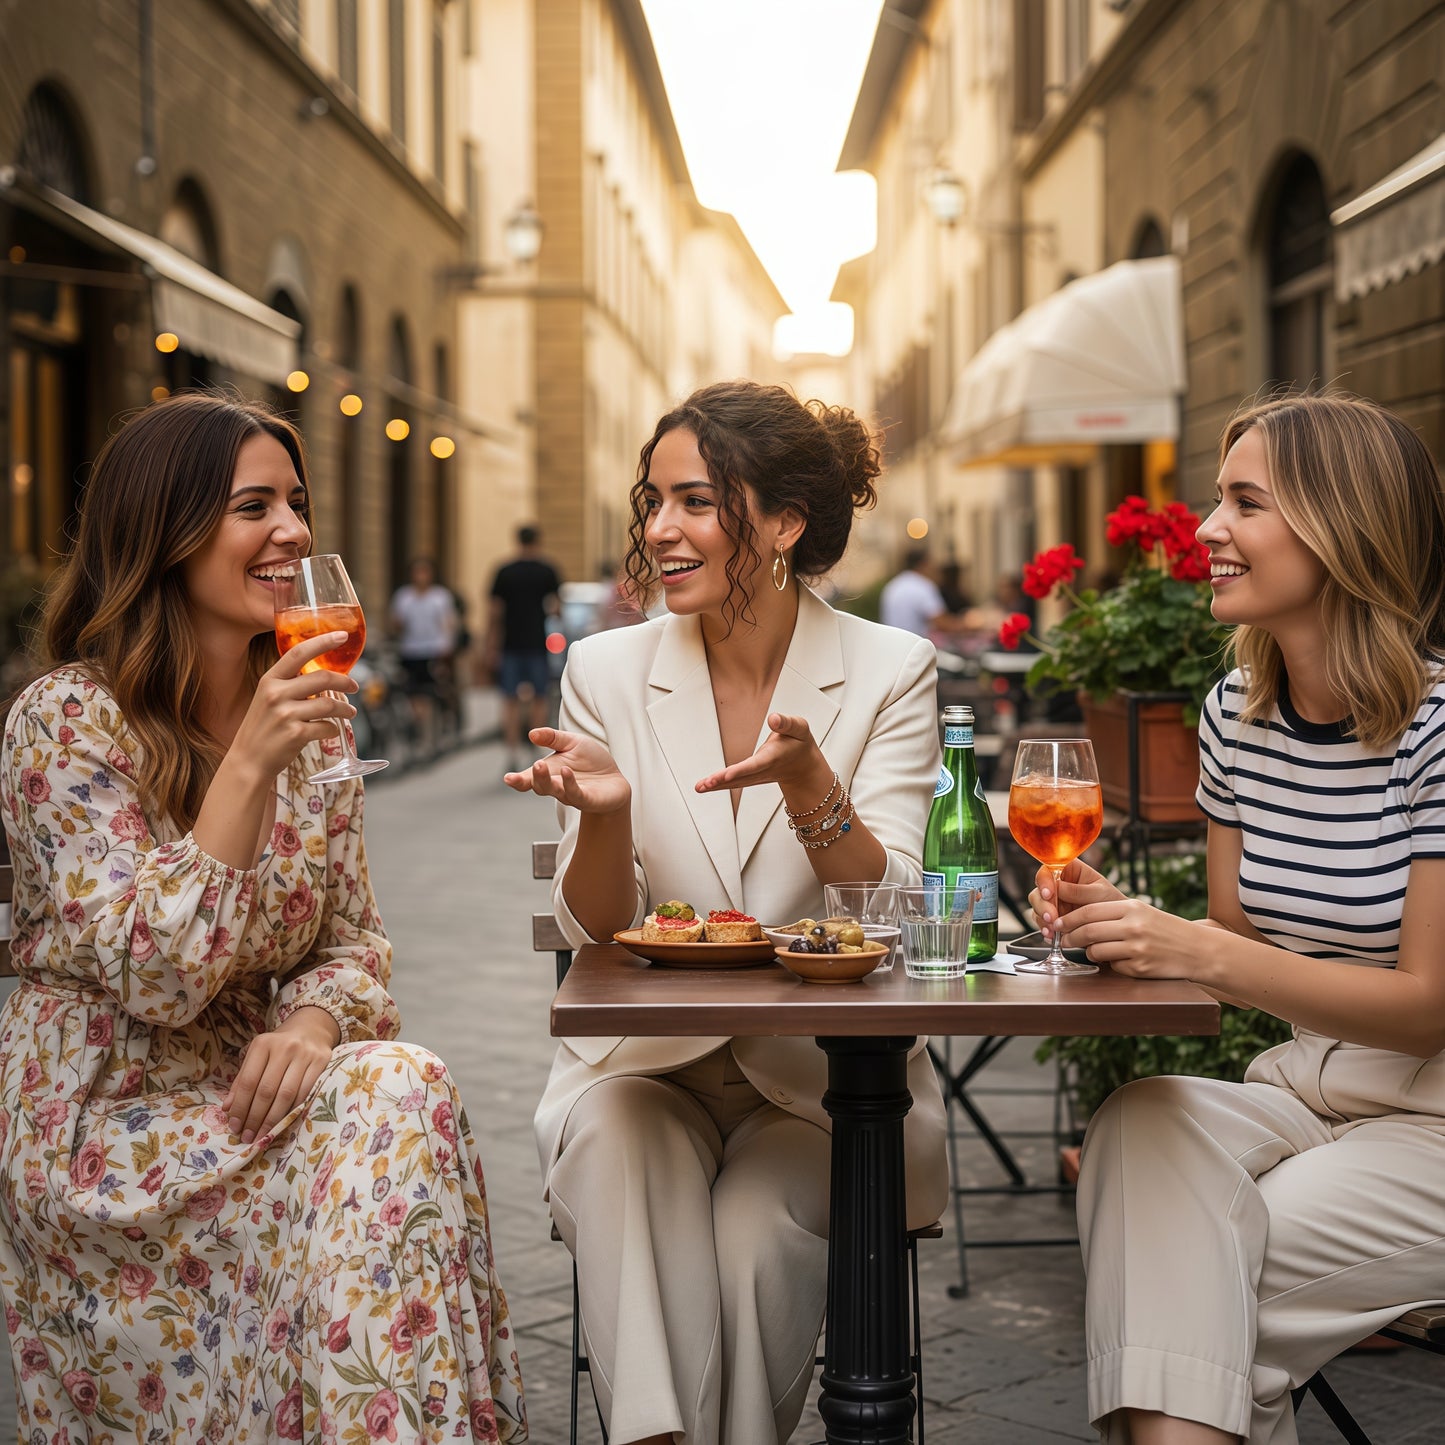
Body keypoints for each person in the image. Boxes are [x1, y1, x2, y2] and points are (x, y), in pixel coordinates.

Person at [0, 394, 526, 1442]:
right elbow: (161, 976)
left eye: (297, 502)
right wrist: (248, 764)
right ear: (166, 530)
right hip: (108, 1133)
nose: (292, 529)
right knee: (393, 1107)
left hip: (255, 1095)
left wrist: (316, 1026)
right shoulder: (66, 721)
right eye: (254, 505)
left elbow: (354, 941)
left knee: (396, 1085)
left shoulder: (313, 724)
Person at [505, 381, 949, 1445]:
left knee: (756, 1234)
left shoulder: (890, 668)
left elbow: (887, 905)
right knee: (612, 1150)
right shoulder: (607, 670)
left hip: (831, 1086)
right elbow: (593, 929)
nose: (659, 529)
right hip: (642, 1066)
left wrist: (810, 790)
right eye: (652, 500)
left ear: (783, 522)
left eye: (695, 501)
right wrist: (604, 819)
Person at [1031, 393, 1445, 1445]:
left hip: (1434, 1124)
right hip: (1306, 1092)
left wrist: (1195, 946)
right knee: (1137, 1121)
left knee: (1180, 1298)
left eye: (1242, 502)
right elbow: (1237, 949)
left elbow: (1425, 1009)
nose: (1206, 529)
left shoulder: (1436, 729)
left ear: (1338, 527)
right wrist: (1126, 923)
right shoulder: (1235, 715)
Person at [487, 526, 561, 773]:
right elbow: (556, 608)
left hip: (510, 644)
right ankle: (537, 749)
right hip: (537, 644)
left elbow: (495, 612)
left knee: (510, 700)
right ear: (538, 541)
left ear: (517, 541)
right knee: (540, 696)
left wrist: (491, 646)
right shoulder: (547, 570)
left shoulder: (505, 571)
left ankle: (511, 752)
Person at [389, 555, 459, 757]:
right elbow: (395, 623)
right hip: (411, 650)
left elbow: (448, 623)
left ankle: (437, 731)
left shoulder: (439, 597)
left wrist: (447, 647)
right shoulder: (404, 597)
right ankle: (421, 736)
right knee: (413, 695)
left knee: (433, 693)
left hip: (434, 650)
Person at [879, 546, 967, 642]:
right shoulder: (922, 586)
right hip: (914, 647)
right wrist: (968, 624)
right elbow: (942, 623)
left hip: (893, 644)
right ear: (923, 564)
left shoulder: (893, 585)